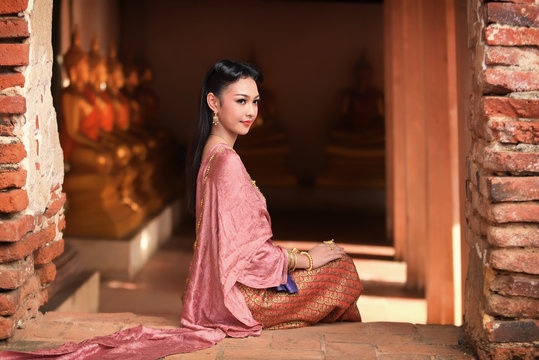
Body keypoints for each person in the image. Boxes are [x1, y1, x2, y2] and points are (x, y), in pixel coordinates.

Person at [1, 60, 362, 359]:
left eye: (255, 101)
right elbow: (247, 258)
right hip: (244, 299)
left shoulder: (211, 153)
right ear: (213, 103)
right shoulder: (227, 163)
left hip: (222, 293)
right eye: (240, 101)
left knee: (336, 269)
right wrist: (308, 258)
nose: (251, 111)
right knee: (343, 271)